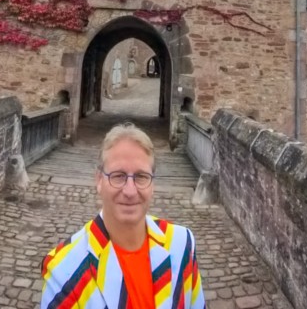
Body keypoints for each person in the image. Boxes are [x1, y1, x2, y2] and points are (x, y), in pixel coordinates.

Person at [40, 122, 205, 308]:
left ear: (153, 185)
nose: (130, 191)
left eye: (142, 176)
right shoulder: (65, 271)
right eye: (118, 176)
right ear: (99, 180)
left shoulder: (182, 245)